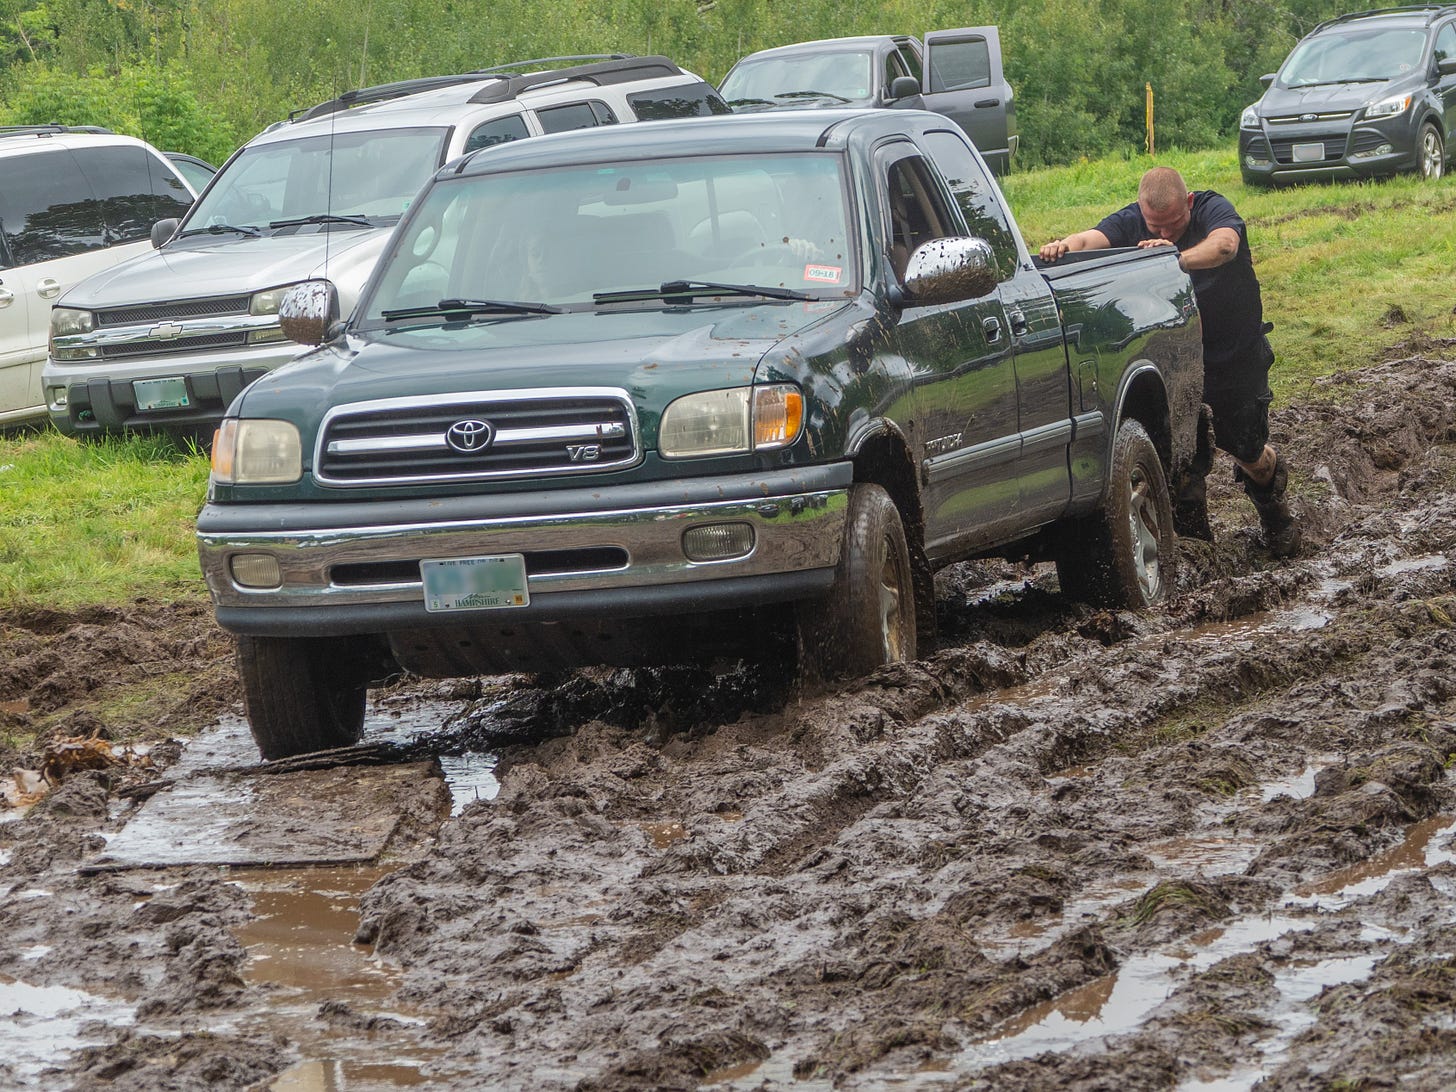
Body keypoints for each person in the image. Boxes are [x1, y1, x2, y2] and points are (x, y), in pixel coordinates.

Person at [1038, 167, 1299, 558]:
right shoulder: (1137, 220)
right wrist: (1064, 246)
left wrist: (1174, 258)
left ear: (1188, 204)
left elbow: (1225, 245)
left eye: (1172, 225)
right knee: (1181, 456)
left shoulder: (1213, 209)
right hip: (1176, 357)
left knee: (1246, 449)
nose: (1163, 234)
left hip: (1232, 354)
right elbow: (1094, 237)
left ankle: (1275, 515)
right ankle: (1197, 550)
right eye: (1154, 227)